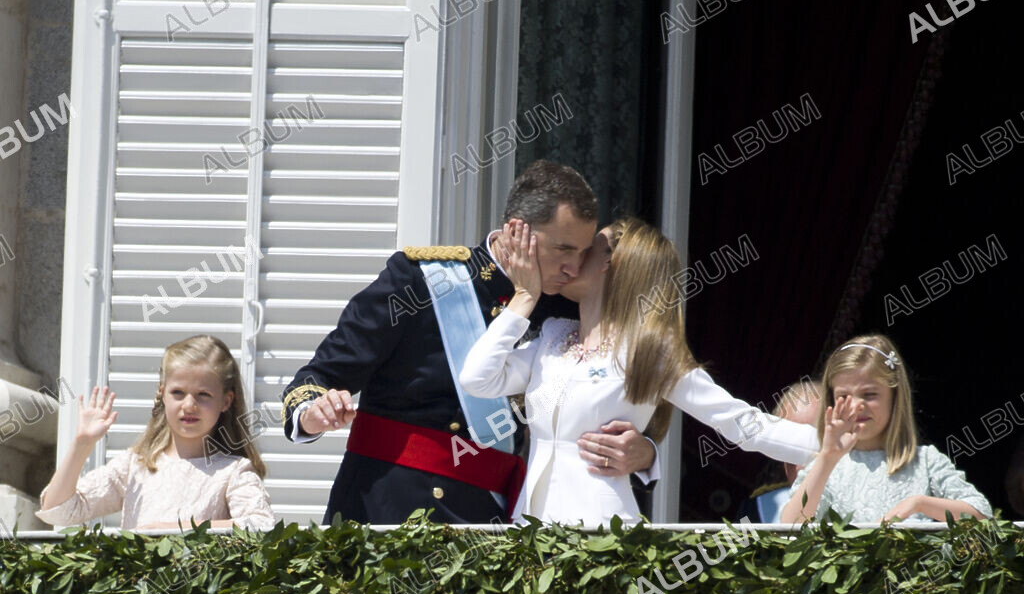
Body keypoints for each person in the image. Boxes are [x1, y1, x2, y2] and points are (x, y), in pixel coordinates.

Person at [281, 161, 657, 524]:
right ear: (516, 232)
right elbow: (316, 378)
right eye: (563, 249)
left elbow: (610, 402)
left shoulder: (564, 308)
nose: (573, 267)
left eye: (582, 252)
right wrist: (312, 414)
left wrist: (646, 453)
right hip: (390, 515)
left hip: (495, 522)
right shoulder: (421, 282)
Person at [459, 218, 820, 525]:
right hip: (531, 532)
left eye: (587, 250)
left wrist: (836, 447)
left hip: (599, 542)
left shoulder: (649, 352)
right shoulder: (553, 336)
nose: (571, 260)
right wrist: (524, 299)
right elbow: (477, 378)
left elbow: (740, 422)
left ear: (612, 265)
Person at [36, 335, 275, 531]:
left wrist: (177, 529)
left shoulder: (234, 471)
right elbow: (58, 511)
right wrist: (82, 445)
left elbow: (261, 525)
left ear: (226, 401)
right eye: (178, 393)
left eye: (203, 395)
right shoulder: (135, 465)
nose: (189, 405)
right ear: (162, 394)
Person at [780, 335, 991, 523]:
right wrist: (827, 457)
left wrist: (918, 504)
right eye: (844, 396)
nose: (856, 406)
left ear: (895, 396)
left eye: (869, 394)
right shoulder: (828, 465)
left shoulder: (924, 461)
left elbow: (981, 514)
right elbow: (790, 526)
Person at [739, 380, 822, 523]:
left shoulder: (862, 499)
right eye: (787, 445)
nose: (799, 464)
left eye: (809, 442)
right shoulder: (758, 511)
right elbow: (730, 546)